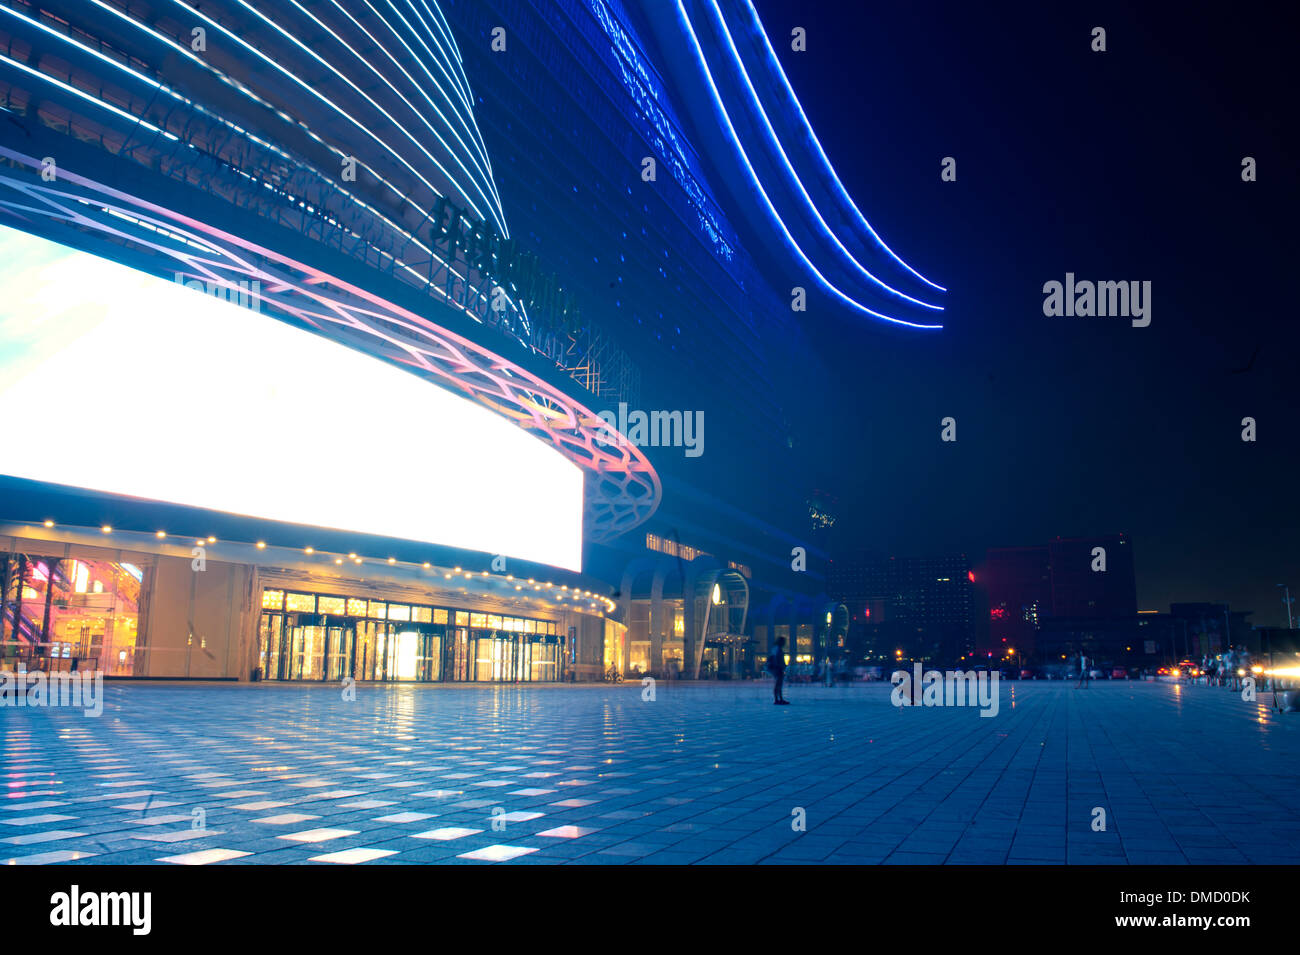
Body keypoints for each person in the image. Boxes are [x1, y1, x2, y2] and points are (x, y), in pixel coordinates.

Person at [767, 636, 789, 705]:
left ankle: (779, 699)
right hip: (778, 669)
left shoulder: (776, 648)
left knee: (778, 684)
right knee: (778, 684)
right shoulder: (777, 649)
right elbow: (777, 659)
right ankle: (777, 699)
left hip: (777, 668)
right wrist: (780, 666)